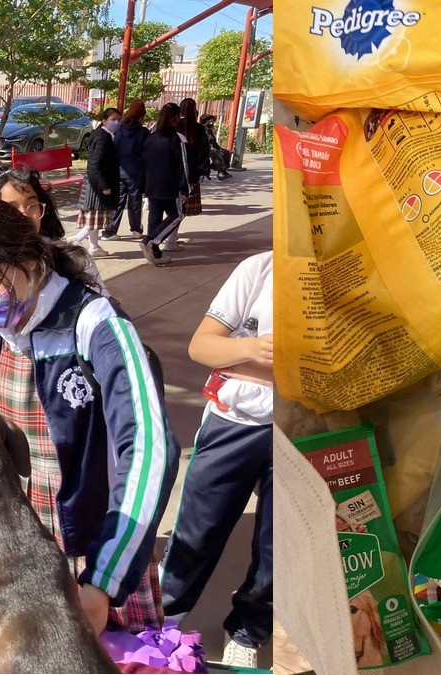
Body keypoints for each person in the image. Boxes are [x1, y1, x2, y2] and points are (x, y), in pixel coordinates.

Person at [0, 198, 179, 635]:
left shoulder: (96, 325)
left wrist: (103, 582)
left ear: (27, 257)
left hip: (96, 542)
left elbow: (148, 447)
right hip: (26, 538)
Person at [160, 251, 273, 668]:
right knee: (199, 530)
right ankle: (161, 619)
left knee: (277, 544)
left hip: (303, 425)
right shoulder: (259, 269)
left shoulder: (350, 270)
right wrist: (252, 350)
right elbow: (201, 345)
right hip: (235, 421)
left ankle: (248, 629)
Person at [0, 168, 109, 296]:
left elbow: (105, 308)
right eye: (11, 209)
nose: (25, 215)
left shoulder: (76, 262)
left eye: (32, 205)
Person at [139, 103, 191, 267]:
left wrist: (144, 185)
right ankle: (151, 241)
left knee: (155, 218)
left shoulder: (151, 137)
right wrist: (185, 189)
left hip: (152, 184)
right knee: (178, 214)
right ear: (176, 118)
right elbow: (184, 165)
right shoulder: (178, 138)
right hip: (170, 185)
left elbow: (144, 162)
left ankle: (155, 253)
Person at [71, 108, 121, 257]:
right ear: (104, 121)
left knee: (94, 219)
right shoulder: (103, 138)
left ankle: (93, 247)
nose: (117, 122)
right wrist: (104, 186)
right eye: (113, 119)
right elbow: (95, 164)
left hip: (96, 182)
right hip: (98, 184)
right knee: (94, 220)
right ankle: (74, 241)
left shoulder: (105, 136)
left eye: (119, 119)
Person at [101, 100, 149, 240]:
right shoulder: (143, 132)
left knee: (118, 201)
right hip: (136, 172)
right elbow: (146, 153)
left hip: (119, 170)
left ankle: (110, 230)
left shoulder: (119, 130)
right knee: (135, 201)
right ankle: (135, 229)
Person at [175, 98, 211, 245]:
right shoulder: (199, 129)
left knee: (172, 206)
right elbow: (204, 152)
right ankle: (171, 235)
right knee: (182, 206)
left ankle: (169, 235)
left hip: (174, 171)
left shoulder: (175, 126)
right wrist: (203, 171)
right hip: (191, 172)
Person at [200, 114, 232, 180]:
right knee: (216, 154)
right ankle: (220, 172)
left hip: (213, 146)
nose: (211, 122)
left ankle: (222, 170)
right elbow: (203, 141)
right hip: (206, 148)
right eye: (209, 120)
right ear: (206, 121)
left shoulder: (209, 129)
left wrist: (219, 147)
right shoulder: (201, 129)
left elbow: (213, 140)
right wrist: (210, 147)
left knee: (226, 152)